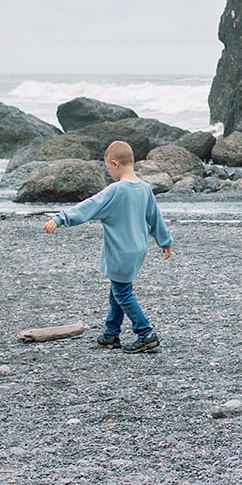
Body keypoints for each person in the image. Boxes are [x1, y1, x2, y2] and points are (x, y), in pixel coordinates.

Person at [42, 140, 173, 353]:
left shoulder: (116, 190)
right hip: (139, 249)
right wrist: (164, 241)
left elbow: (89, 206)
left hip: (121, 251)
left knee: (122, 293)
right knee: (118, 289)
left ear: (114, 164)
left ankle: (146, 333)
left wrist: (61, 218)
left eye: (108, 168)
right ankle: (111, 334)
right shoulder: (145, 189)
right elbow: (155, 218)